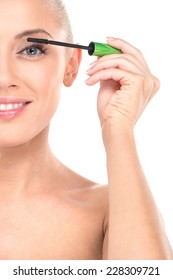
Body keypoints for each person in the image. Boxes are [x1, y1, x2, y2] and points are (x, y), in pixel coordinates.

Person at [0, 0, 172, 260]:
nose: (4, 78)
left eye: (31, 50)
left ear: (71, 67)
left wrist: (119, 127)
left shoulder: (110, 210)